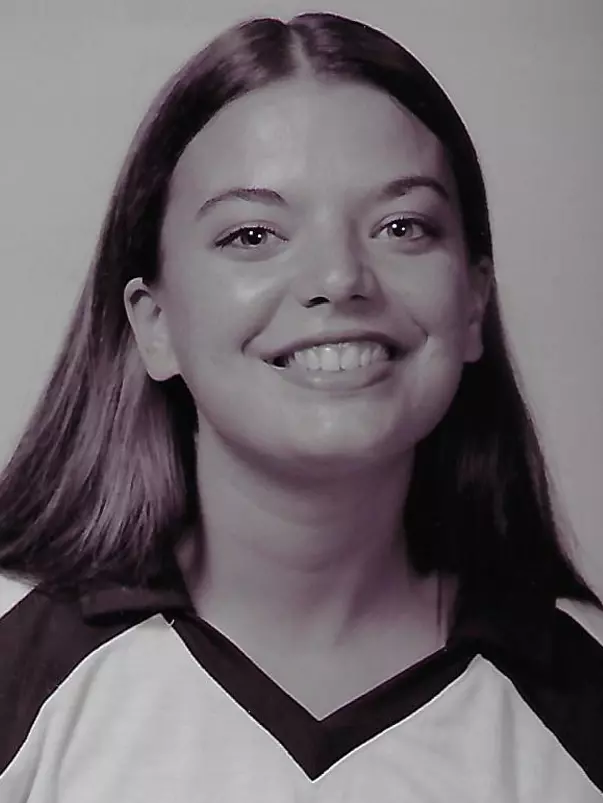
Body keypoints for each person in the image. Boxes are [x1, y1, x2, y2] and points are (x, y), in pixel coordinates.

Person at [0, 11, 601, 801]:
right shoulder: (18, 658)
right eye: (252, 234)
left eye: (401, 225)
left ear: (471, 305)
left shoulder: (580, 694)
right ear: (155, 325)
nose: (340, 277)